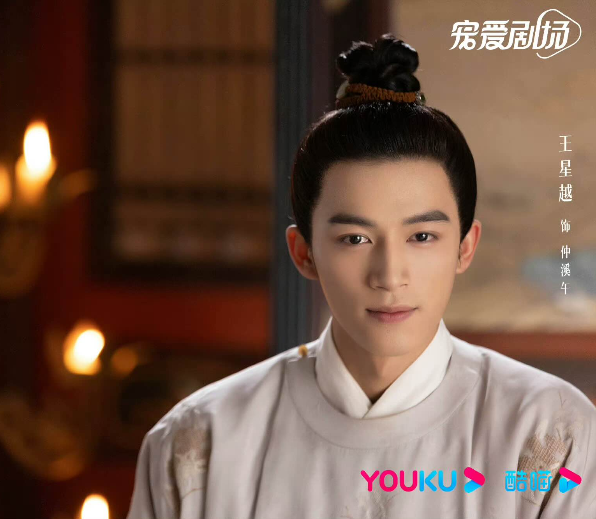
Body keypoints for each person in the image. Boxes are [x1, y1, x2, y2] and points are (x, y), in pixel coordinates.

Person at [126, 34, 596, 519]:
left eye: (422, 237)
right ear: (304, 253)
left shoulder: (551, 435)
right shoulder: (198, 443)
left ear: (465, 246)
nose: (390, 276)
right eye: (355, 238)